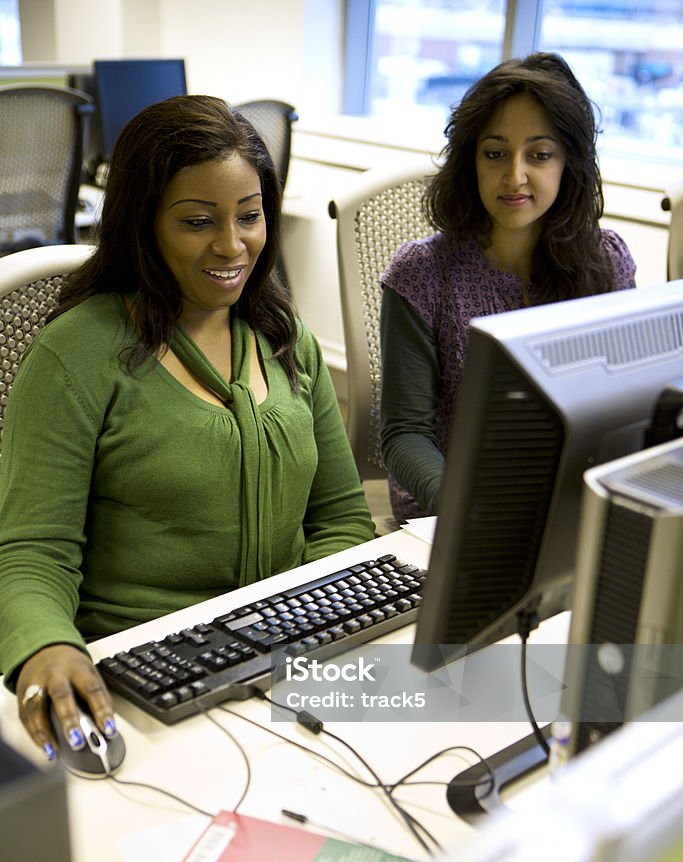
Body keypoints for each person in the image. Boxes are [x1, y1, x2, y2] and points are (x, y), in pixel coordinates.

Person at [0, 95, 375, 759]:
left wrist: (308, 630)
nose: (232, 246)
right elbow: (31, 551)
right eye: (198, 221)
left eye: (249, 216)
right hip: (143, 679)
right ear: (143, 225)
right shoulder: (77, 355)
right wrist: (47, 646)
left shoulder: (284, 338)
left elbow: (341, 518)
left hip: (284, 660)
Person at [380, 52, 637, 523]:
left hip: (568, 509)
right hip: (451, 515)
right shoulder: (421, 275)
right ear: (470, 161)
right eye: (495, 153)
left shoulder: (607, 264)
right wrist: (462, 507)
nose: (514, 175)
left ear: (568, 165)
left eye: (539, 155)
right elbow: (404, 433)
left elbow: (628, 412)